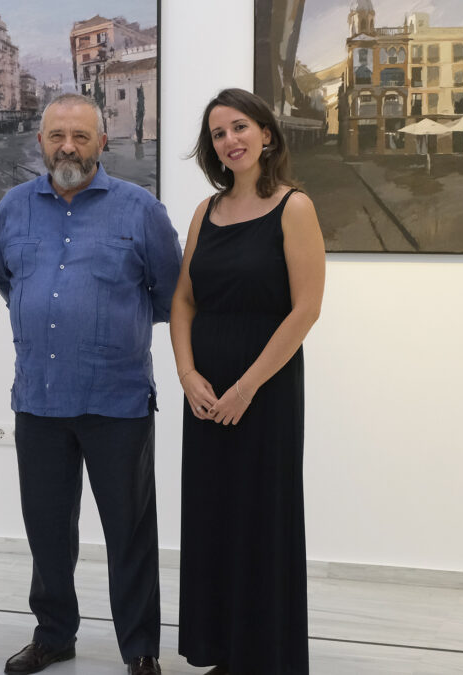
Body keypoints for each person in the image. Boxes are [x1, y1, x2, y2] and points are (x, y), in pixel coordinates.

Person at [0, 94, 182, 675]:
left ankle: (140, 649)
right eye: (56, 135)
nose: (67, 147)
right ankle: (54, 635)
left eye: (80, 135)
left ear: (102, 142)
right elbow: (8, 283)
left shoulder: (140, 209)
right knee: (48, 531)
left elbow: (170, 295)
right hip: (39, 400)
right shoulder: (13, 208)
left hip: (117, 399)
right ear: (40, 140)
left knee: (129, 531)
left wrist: (104, 331)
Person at [170, 88, 325, 674]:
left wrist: (248, 387)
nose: (229, 141)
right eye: (217, 134)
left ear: (266, 133)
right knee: (213, 512)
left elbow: (306, 310)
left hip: (266, 389)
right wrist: (187, 373)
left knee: (262, 513)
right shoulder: (204, 213)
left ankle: (266, 658)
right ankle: (222, 650)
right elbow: (184, 300)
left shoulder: (295, 207)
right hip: (206, 391)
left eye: (239, 127)